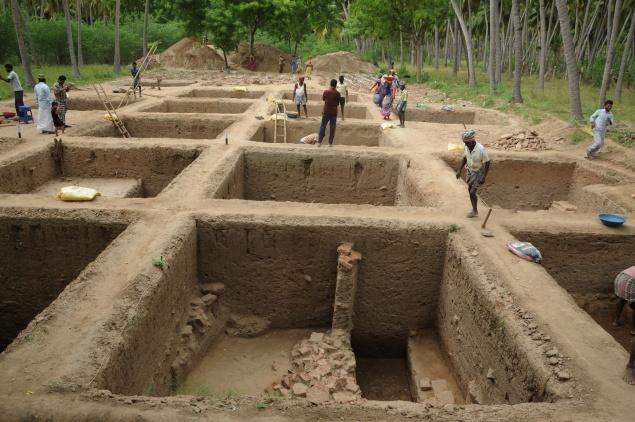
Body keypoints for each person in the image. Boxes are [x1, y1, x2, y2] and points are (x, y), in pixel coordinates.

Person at [455, 130, 491, 218]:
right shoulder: (467, 146)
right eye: (465, 143)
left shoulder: (481, 149)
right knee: (469, 189)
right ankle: (474, 209)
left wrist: (483, 176)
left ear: (472, 140)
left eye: (467, 142)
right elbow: (465, 157)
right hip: (470, 170)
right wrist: (459, 170)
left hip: (478, 172)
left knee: (472, 192)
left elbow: (487, 162)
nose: (466, 144)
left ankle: (475, 211)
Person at [317, 79, 341, 147]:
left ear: (330, 84)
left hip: (326, 111)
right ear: (336, 85)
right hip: (334, 112)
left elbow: (324, 99)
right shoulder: (338, 93)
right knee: (332, 128)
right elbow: (337, 103)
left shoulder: (326, 91)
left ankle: (319, 142)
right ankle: (330, 143)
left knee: (323, 126)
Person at [613, 266, 635, 335]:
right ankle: (634, 330)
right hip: (629, 281)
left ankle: (616, 321)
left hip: (620, 278)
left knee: (622, 299)